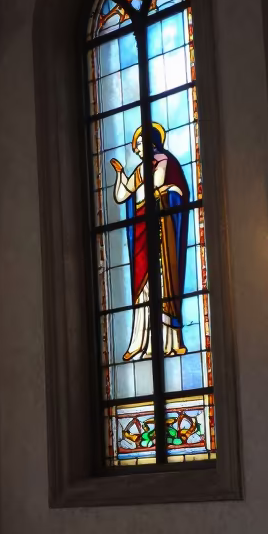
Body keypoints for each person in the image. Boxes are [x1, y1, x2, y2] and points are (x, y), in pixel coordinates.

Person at [110, 122, 189, 361]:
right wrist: (120, 175)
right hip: (142, 228)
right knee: (143, 288)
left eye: (138, 146)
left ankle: (168, 343)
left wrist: (149, 180)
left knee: (163, 284)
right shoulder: (143, 168)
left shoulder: (163, 160)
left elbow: (160, 184)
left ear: (151, 143)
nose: (136, 151)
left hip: (161, 229)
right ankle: (141, 343)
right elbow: (122, 195)